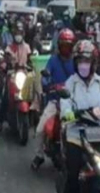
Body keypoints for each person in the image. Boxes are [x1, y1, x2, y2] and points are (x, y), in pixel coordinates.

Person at [60, 40, 100, 193]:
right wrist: (68, 113)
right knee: (73, 175)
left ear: (93, 63)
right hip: (77, 135)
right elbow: (65, 102)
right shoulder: (71, 83)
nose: (83, 65)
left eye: (87, 61)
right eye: (80, 61)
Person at [31, 28, 77, 170]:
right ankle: (39, 155)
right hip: (55, 101)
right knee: (39, 130)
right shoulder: (53, 60)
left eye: (68, 45)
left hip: (73, 102)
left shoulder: (76, 61)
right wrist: (48, 84)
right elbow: (46, 75)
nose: (66, 48)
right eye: (63, 45)